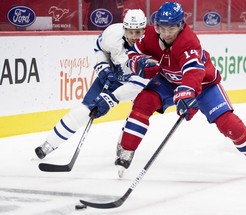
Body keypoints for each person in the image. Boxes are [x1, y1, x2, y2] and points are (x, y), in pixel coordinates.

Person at [114, 2, 246, 177]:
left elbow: (193, 71)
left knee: (229, 124)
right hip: (168, 82)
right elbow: (132, 53)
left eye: (172, 28)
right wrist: (137, 62)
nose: (167, 34)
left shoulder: (189, 41)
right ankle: (126, 150)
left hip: (204, 86)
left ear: (181, 25)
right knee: (143, 103)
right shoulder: (151, 34)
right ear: (157, 25)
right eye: (163, 28)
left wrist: (187, 92)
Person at [35, 9, 161, 159]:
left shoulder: (153, 46)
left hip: (137, 85)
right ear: (124, 28)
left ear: (144, 30)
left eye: (138, 32)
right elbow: (99, 48)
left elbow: (136, 85)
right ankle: (49, 144)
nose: (134, 36)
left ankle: (124, 148)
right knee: (83, 110)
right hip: (112, 77)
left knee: (137, 114)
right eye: (130, 31)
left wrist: (110, 99)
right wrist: (103, 67)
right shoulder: (112, 34)